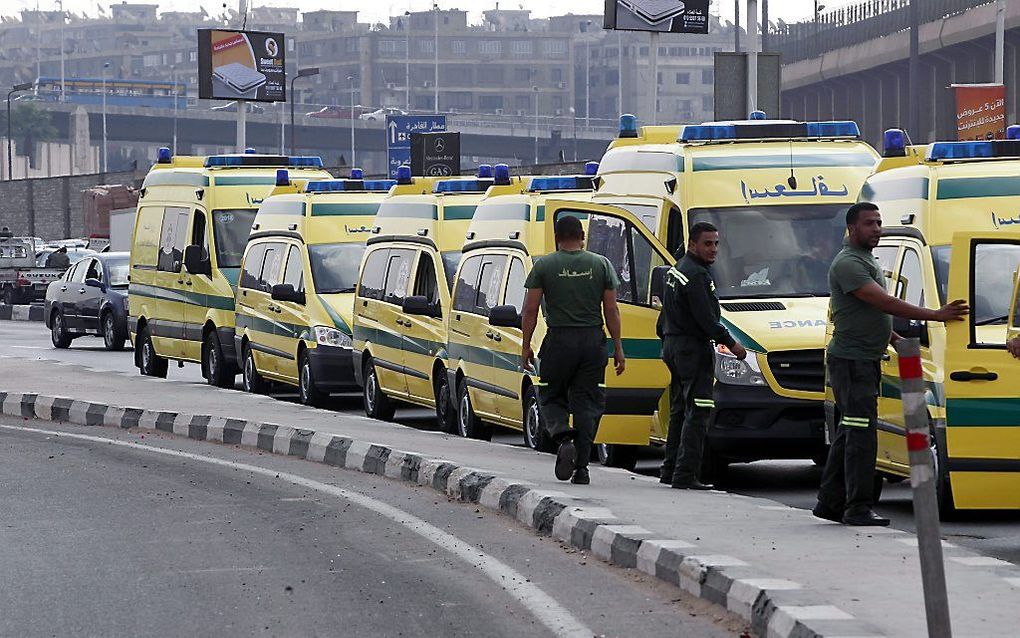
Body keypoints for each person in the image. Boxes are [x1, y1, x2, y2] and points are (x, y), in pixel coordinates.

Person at [814, 202, 968, 527]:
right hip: (852, 361)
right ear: (852, 228)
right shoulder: (848, 263)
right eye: (870, 224)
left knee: (850, 431)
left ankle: (830, 502)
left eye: (879, 223)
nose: (877, 229)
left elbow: (872, 314)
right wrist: (936, 315)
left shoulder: (866, 258)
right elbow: (884, 302)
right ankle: (856, 507)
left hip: (864, 359)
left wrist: (893, 337)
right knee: (861, 435)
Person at [521, 215, 625, 485]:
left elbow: (530, 310)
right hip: (592, 341)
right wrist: (618, 348)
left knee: (550, 394)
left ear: (557, 237)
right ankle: (582, 468)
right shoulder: (601, 264)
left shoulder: (544, 265)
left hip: (559, 340)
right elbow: (611, 309)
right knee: (587, 403)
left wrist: (526, 348)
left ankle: (563, 436)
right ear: (582, 236)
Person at [658, 222, 746, 490]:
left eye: (716, 243)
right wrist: (733, 344)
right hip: (692, 349)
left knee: (678, 410)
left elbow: (663, 319)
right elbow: (706, 319)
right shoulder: (697, 275)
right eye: (707, 243)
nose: (714, 249)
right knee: (698, 411)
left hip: (674, 345)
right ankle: (685, 475)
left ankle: (670, 469)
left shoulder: (677, 270)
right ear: (692, 244)